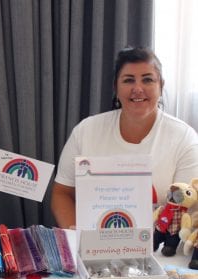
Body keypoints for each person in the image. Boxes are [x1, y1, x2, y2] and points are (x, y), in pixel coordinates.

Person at [51, 46, 198, 229]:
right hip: (95, 247)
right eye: (129, 80)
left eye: (148, 80)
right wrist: (78, 236)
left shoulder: (185, 138)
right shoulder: (86, 131)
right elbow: (62, 193)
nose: (138, 88)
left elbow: (187, 206)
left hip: (160, 250)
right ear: (116, 88)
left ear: (161, 86)